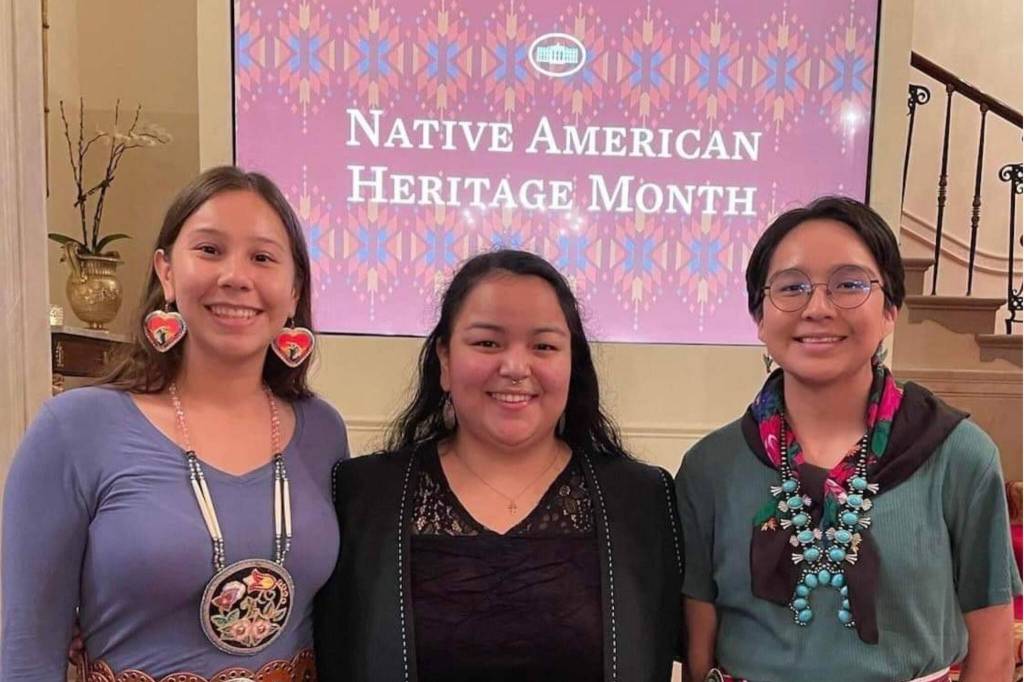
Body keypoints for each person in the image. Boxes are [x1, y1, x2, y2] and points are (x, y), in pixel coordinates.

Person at [1, 166, 348, 680]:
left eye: (262, 257)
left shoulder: (322, 431)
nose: (235, 276)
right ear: (166, 272)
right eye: (209, 250)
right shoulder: (74, 430)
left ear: (295, 289)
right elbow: (28, 650)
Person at [676, 196, 1021, 682]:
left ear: (890, 309)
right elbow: (699, 653)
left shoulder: (959, 455)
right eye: (791, 287)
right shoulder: (710, 467)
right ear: (759, 317)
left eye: (849, 284)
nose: (818, 308)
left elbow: (993, 652)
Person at [314, 249, 683, 681]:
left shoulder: (643, 500)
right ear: (445, 360)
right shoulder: (361, 495)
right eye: (487, 343)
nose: (515, 368)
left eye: (544, 346)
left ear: (572, 365)